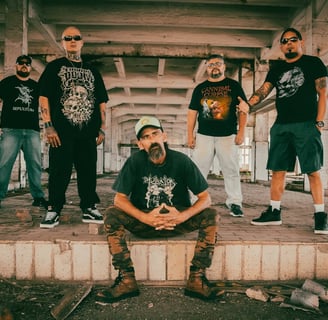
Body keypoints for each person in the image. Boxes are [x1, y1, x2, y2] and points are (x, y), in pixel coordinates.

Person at [96, 116, 219, 303]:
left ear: (164, 136)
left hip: (177, 222)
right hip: (144, 223)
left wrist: (182, 216)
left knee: (211, 215)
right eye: (146, 137)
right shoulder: (134, 162)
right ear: (140, 144)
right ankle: (126, 279)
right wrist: (145, 218)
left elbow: (205, 198)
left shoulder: (182, 161)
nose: (152, 139)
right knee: (111, 214)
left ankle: (196, 278)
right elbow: (119, 200)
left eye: (155, 134)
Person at [239, 27, 328, 234]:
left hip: (306, 124)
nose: (289, 43)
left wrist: (319, 122)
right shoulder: (277, 68)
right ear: (281, 46)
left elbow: (323, 92)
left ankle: (320, 216)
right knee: (278, 170)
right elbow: (264, 89)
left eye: (293, 40)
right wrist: (249, 104)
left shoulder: (313, 63)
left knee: (312, 171)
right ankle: (274, 212)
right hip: (281, 126)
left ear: (300, 42)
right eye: (285, 41)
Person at [38, 26, 108, 228]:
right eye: (67, 38)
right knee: (60, 171)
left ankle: (89, 206)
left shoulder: (92, 71)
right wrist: (48, 126)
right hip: (61, 132)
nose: (72, 41)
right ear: (62, 42)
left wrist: (102, 127)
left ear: (82, 41)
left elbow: (101, 101)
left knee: (87, 170)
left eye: (76, 38)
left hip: (87, 132)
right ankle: (54, 208)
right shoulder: (54, 67)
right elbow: (44, 97)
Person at [187, 54, 248, 217]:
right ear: (207, 68)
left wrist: (241, 132)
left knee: (231, 169)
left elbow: (243, 109)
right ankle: (194, 201)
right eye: (211, 64)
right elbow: (192, 113)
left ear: (224, 67)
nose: (215, 66)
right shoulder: (200, 88)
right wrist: (190, 136)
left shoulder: (233, 85)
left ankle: (235, 203)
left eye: (218, 63)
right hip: (204, 135)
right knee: (198, 170)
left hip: (228, 135)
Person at [0, 55, 47, 209]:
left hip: (32, 130)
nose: (24, 66)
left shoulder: (36, 86)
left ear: (30, 67)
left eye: (27, 64)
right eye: (21, 63)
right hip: (11, 129)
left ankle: (38, 197)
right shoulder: (7, 83)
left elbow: (44, 106)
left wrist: (48, 125)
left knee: (35, 165)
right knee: (4, 164)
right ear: (16, 65)